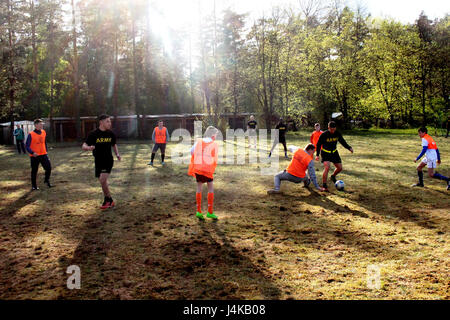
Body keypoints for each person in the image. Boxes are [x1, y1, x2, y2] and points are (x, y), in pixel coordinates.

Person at [82, 114, 121, 209]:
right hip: (98, 161)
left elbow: (114, 145)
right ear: (101, 122)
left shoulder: (110, 133)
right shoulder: (93, 134)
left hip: (108, 160)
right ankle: (108, 200)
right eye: (107, 121)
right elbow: (83, 145)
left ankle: (108, 200)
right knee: (102, 181)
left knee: (103, 180)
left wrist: (117, 154)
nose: (109, 123)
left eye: (110, 121)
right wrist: (88, 148)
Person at [188, 126, 219, 220]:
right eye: (216, 134)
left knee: (199, 188)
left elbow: (191, 151)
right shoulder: (214, 144)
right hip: (207, 169)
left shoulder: (199, 141)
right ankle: (210, 212)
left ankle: (198, 211)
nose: (216, 136)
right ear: (213, 135)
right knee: (210, 188)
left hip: (198, 168)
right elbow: (215, 158)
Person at [315, 121, 353, 191]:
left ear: (335, 128)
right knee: (327, 167)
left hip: (334, 153)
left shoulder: (337, 133)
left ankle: (333, 176)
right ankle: (324, 185)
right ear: (328, 128)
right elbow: (318, 144)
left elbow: (342, 141)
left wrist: (349, 147)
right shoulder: (324, 135)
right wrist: (317, 155)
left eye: (334, 129)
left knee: (340, 168)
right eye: (331, 129)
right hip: (325, 153)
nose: (332, 131)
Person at [26, 119, 53, 190]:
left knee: (49, 168)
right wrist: (32, 153)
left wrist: (46, 150)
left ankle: (46, 180)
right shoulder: (31, 134)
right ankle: (34, 186)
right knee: (34, 171)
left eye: (42, 124)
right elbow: (27, 146)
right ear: (36, 125)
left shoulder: (44, 132)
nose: (42, 125)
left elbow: (44, 142)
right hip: (35, 156)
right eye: (40, 124)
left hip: (44, 154)